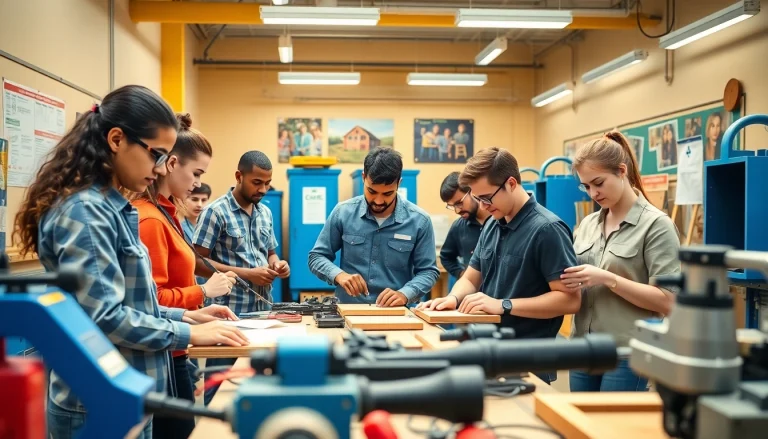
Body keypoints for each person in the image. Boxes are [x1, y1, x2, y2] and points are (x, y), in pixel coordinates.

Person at [14, 85, 248, 439]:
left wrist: (184, 315)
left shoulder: (114, 207)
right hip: (97, 399)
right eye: (157, 154)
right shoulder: (86, 212)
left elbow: (129, 302)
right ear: (117, 139)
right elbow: (105, 316)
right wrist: (189, 332)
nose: (160, 168)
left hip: (126, 391)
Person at [418, 147, 580, 384]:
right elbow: (471, 277)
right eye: (478, 199)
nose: (483, 206)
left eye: (487, 198)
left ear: (511, 183)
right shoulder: (493, 224)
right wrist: (453, 298)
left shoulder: (547, 230)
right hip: (487, 349)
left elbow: (569, 300)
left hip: (527, 358)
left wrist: (503, 305)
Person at [131, 113, 238, 438]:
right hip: (165, 351)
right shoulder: (150, 219)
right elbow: (151, 300)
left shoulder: (167, 213)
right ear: (172, 163)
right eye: (196, 173)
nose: (196, 183)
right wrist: (203, 292)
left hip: (177, 346)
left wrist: (196, 313)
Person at [563, 131, 680, 392]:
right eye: (586, 187)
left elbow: (668, 300)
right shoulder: (587, 225)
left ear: (621, 171)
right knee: (578, 419)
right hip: (582, 348)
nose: (593, 193)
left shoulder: (656, 225)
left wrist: (608, 278)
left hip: (628, 353)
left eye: (598, 183)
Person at [193, 150, 290, 405]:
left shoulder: (265, 212)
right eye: (257, 182)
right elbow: (197, 262)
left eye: (267, 183)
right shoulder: (215, 212)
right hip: (229, 316)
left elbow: (270, 252)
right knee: (220, 388)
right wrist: (248, 275)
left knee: (258, 384)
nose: (263, 189)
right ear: (239, 176)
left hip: (263, 314)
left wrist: (277, 264)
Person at [308, 147, 439, 306]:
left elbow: (428, 271)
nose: (378, 201)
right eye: (372, 191)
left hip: (397, 313)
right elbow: (316, 257)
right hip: (349, 310)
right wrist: (339, 275)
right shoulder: (342, 213)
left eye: (387, 194)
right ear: (364, 178)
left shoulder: (420, 221)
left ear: (399, 183)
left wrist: (405, 294)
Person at [438, 171, 489, 282]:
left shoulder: (500, 220)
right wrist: (462, 274)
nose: (457, 211)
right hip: (473, 291)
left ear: (472, 191)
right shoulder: (458, 227)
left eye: (459, 203)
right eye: (452, 206)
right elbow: (446, 257)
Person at [182, 182, 212, 286]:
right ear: (184, 200)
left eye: (204, 200)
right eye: (194, 199)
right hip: (191, 283)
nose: (199, 204)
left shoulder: (211, 227)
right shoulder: (179, 228)